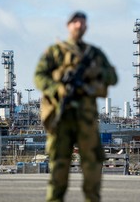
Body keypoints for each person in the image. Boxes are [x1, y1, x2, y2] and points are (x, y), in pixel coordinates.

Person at [34, 11, 118, 202]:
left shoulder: (94, 54)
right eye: (75, 22)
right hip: (61, 117)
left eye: (82, 22)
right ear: (68, 25)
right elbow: (39, 77)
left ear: (86, 27)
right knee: (58, 170)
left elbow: (112, 77)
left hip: (86, 120)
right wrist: (57, 88)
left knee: (92, 169)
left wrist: (94, 72)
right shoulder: (55, 52)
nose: (79, 26)